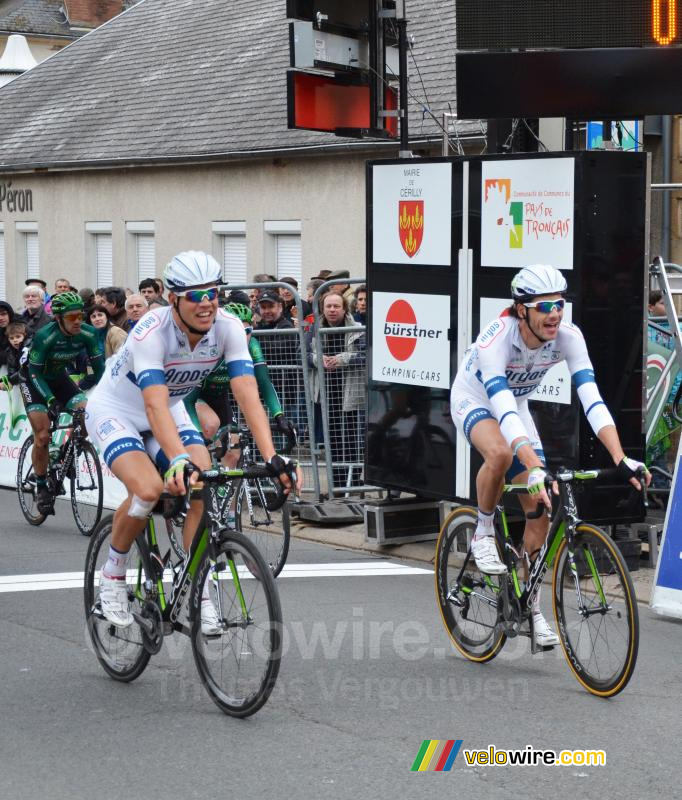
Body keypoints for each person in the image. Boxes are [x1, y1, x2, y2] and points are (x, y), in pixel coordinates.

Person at [84, 251, 299, 633]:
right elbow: (152, 405)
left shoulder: (229, 327)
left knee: (204, 481)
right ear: (173, 299)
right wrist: (178, 457)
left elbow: (247, 392)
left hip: (171, 408)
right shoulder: (151, 331)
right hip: (118, 410)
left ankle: (194, 581)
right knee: (149, 490)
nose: (206, 304)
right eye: (195, 296)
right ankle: (113, 576)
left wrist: (273, 458)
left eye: (212, 294)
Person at [450, 263, 650, 646]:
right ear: (521, 309)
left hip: (517, 407)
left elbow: (591, 399)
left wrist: (620, 458)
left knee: (540, 514)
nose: (554, 313)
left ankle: (531, 608)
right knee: (501, 455)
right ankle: (483, 531)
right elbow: (502, 408)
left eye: (559, 304)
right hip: (477, 400)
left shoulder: (568, 337)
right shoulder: (498, 338)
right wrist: (535, 465)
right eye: (544, 306)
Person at [20, 292, 104, 514]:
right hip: (33, 381)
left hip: (59, 378)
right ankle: (41, 486)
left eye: (81, 315)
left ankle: (62, 456)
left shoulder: (88, 333)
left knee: (87, 416)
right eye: (72, 317)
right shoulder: (44, 336)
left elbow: (100, 370)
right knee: (43, 434)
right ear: (58, 318)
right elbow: (34, 372)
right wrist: (50, 400)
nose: (78, 321)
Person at [307, 291, 366, 487]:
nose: (332, 310)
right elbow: (301, 353)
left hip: (351, 392)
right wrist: (318, 359)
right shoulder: (314, 328)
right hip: (325, 392)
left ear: (344, 308)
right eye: (328, 306)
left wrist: (343, 359)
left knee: (351, 438)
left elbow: (366, 355)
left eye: (336, 306)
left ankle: (353, 481)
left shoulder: (358, 328)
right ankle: (337, 483)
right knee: (331, 438)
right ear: (322, 309)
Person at [0, 321, 27, 387]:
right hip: (21, 384)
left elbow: (25, 371)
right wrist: (2, 381)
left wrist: (10, 382)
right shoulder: (10, 352)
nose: (15, 340)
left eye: (18, 337)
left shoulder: (28, 349)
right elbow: (12, 373)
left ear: (24, 335)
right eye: (11, 338)